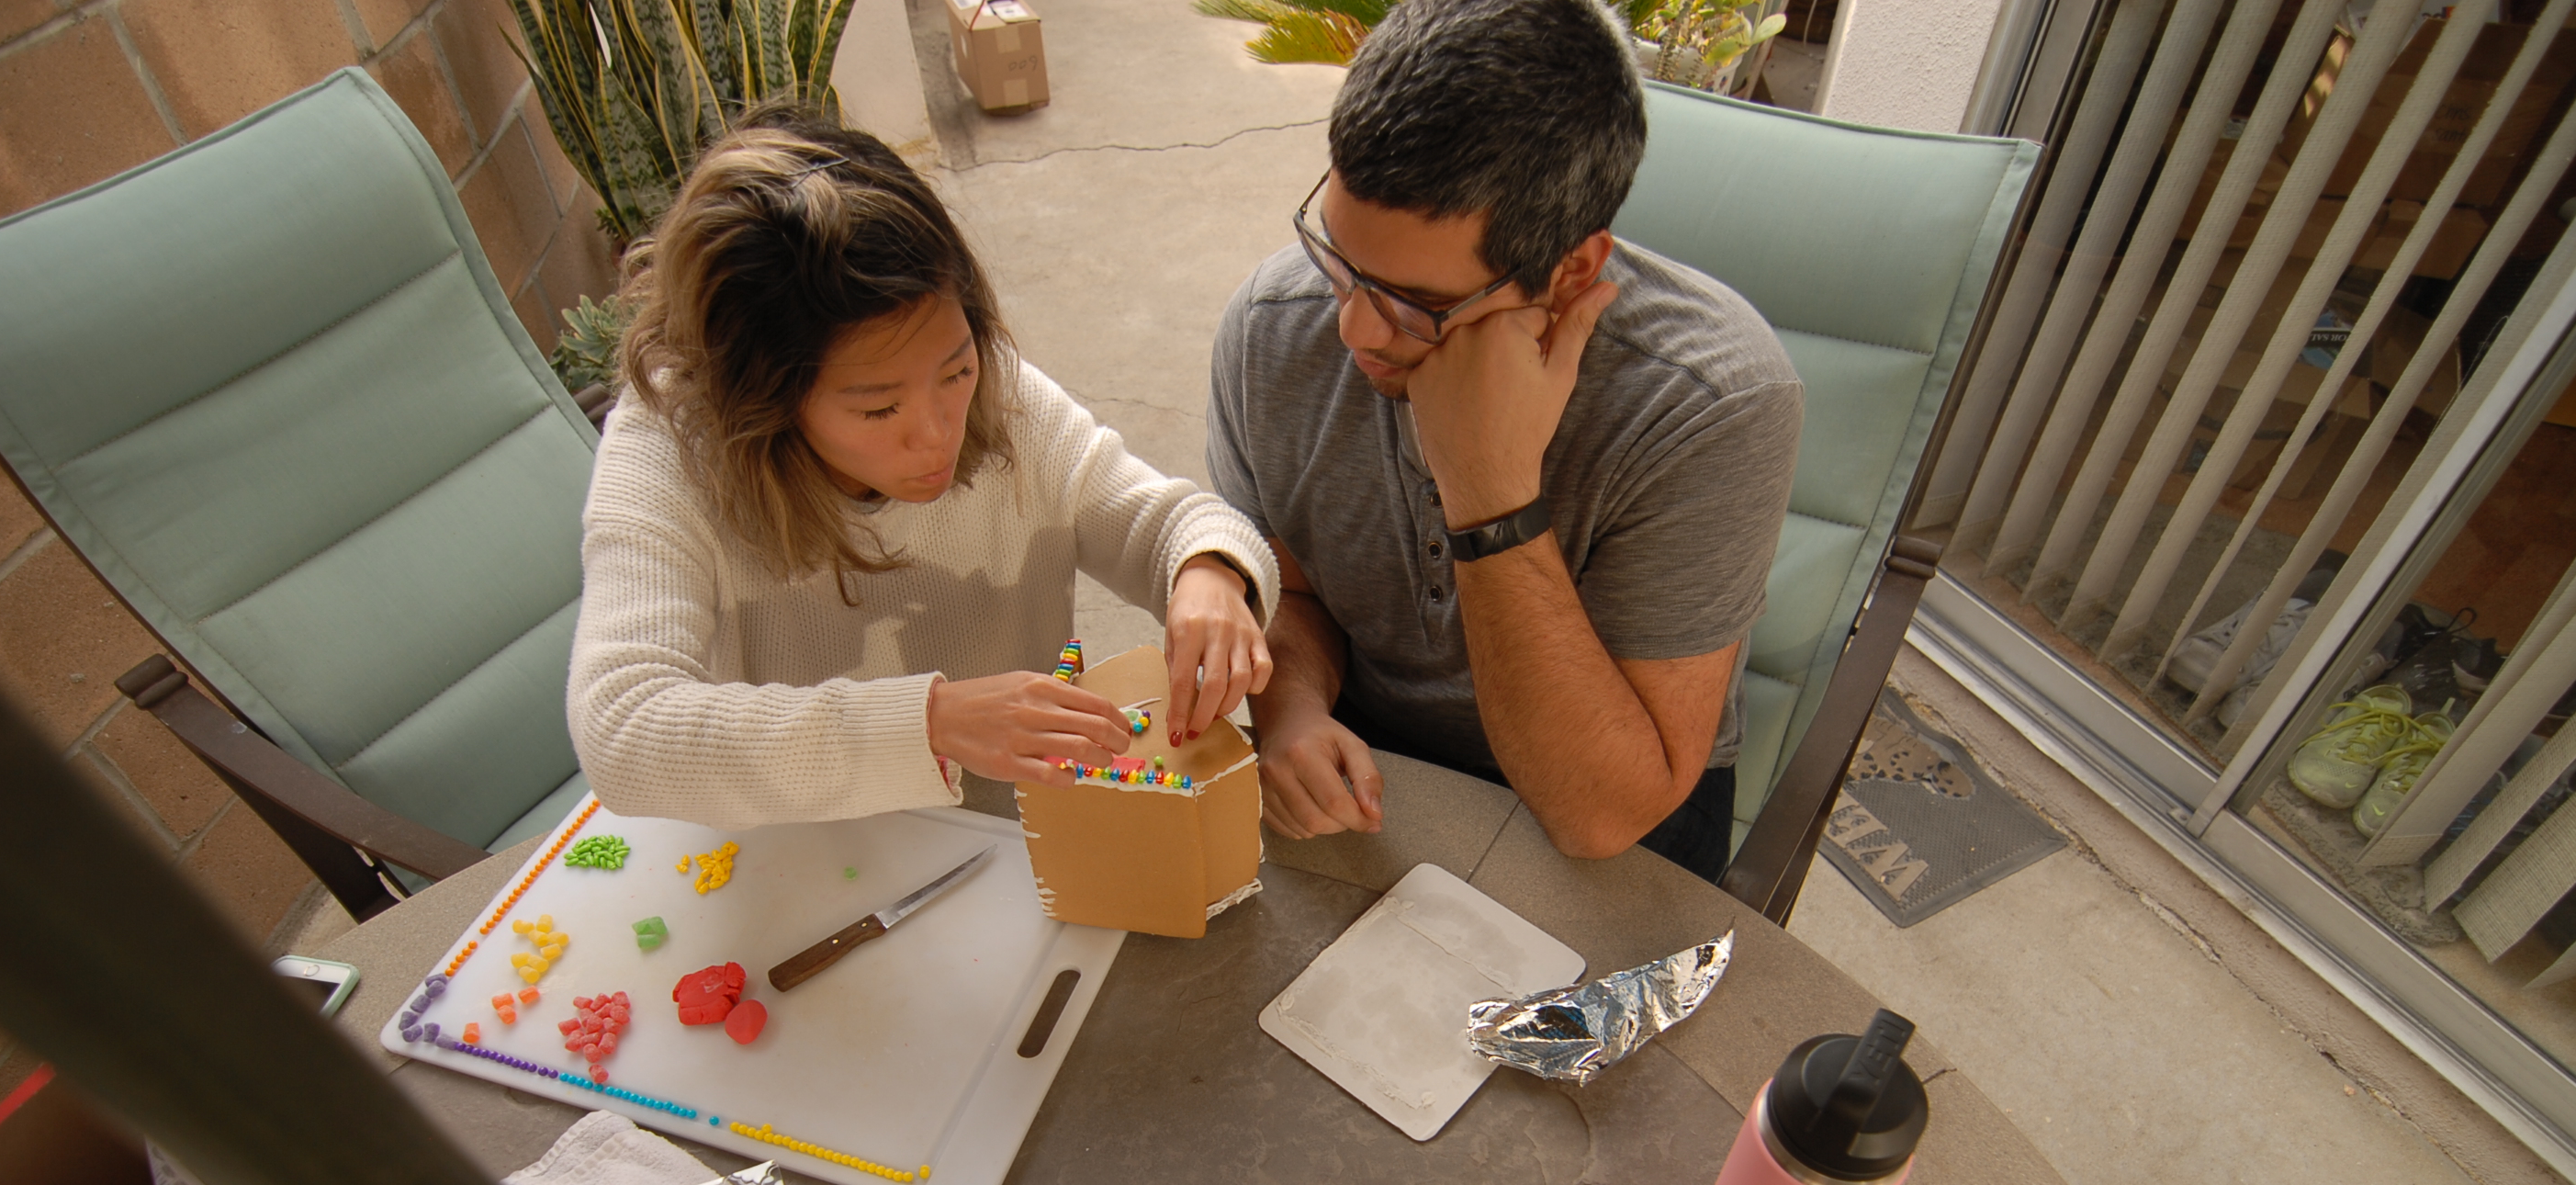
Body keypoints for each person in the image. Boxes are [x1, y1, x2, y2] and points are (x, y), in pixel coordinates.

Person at [1208, 0, 1802, 881]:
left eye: (1416, 303)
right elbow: (1288, 588)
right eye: (1336, 256)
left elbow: (1601, 813)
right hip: (1369, 756)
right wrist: (1290, 707)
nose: (1353, 330)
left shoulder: (1711, 406)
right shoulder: (1272, 325)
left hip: (1610, 795)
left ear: (1571, 271)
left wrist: (1487, 488)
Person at [569, 114, 1276, 830]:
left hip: (1019, 827)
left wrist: (1209, 572)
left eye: (956, 370)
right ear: (762, 404)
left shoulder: (998, 395)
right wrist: (931, 722)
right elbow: (622, 731)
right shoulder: (670, 454)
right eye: (878, 410)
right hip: (811, 849)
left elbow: (1167, 523)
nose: (940, 433)